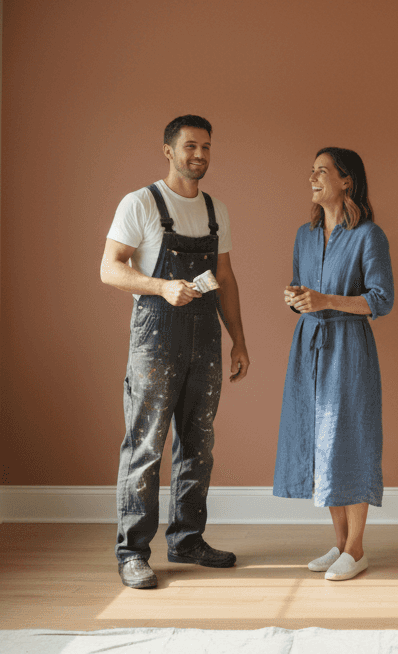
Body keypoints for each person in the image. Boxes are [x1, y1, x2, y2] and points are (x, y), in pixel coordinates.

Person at [100, 114, 251, 589]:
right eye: (190, 146)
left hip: (205, 340)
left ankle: (187, 539)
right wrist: (160, 286)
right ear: (168, 150)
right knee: (145, 446)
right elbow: (109, 268)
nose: (199, 155)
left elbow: (224, 279)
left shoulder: (215, 210)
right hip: (155, 338)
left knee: (198, 445)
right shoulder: (140, 203)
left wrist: (239, 341)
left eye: (206, 147)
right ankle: (132, 553)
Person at [275, 147, 394, 581]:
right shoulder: (303, 236)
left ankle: (358, 548)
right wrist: (298, 300)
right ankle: (340, 543)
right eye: (312, 171)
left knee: (350, 440)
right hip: (308, 345)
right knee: (320, 440)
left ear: (347, 181)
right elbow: (302, 290)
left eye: (322, 171)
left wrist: (326, 301)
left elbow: (383, 300)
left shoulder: (369, 236)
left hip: (348, 348)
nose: (313, 177)